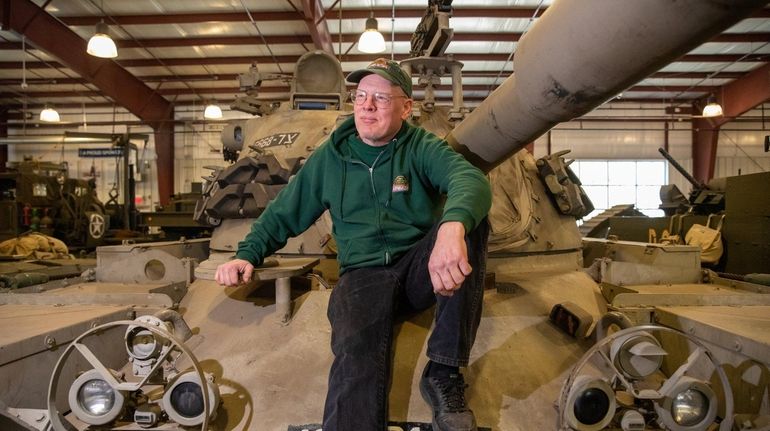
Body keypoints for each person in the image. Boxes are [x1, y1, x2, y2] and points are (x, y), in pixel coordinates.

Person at [215, 58, 491, 431]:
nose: (367, 105)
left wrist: (452, 227)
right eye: (361, 96)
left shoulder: (420, 146)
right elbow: (284, 212)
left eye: (380, 96)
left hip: (418, 269)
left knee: (471, 222)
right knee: (356, 354)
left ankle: (443, 372)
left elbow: (469, 180)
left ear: (406, 107)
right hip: (364, 275)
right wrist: (246, 254)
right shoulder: (331, 156)